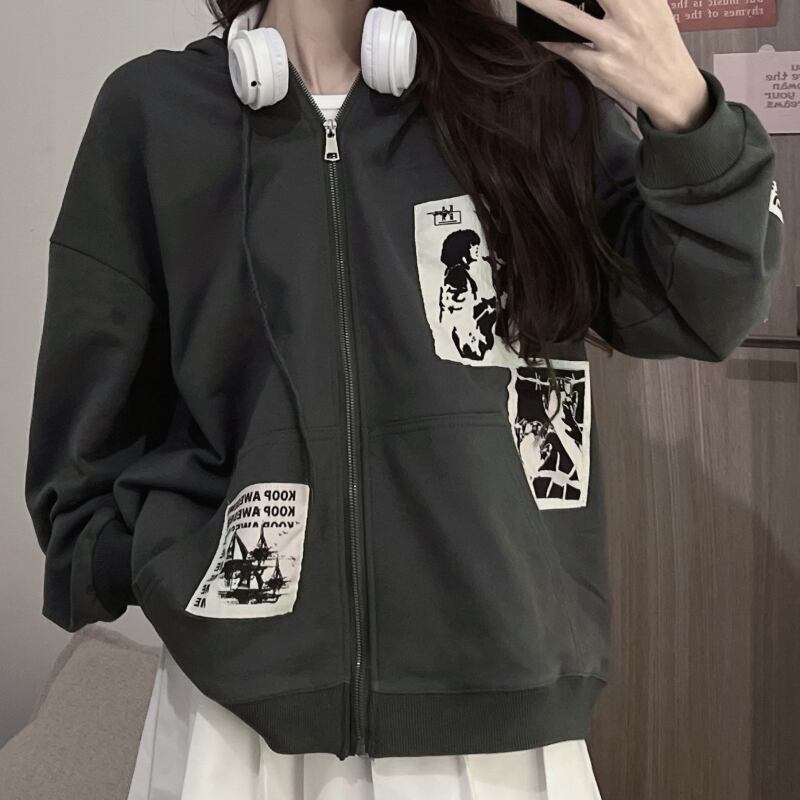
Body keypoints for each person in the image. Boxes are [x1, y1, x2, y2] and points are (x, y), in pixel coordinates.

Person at [24, 0, 784, 798]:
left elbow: (705, 308)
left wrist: (686, 112)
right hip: (232, 731)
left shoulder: (523, 101)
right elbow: (84, 448)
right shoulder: (153, 114)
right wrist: (168, 565)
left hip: (501, 726)